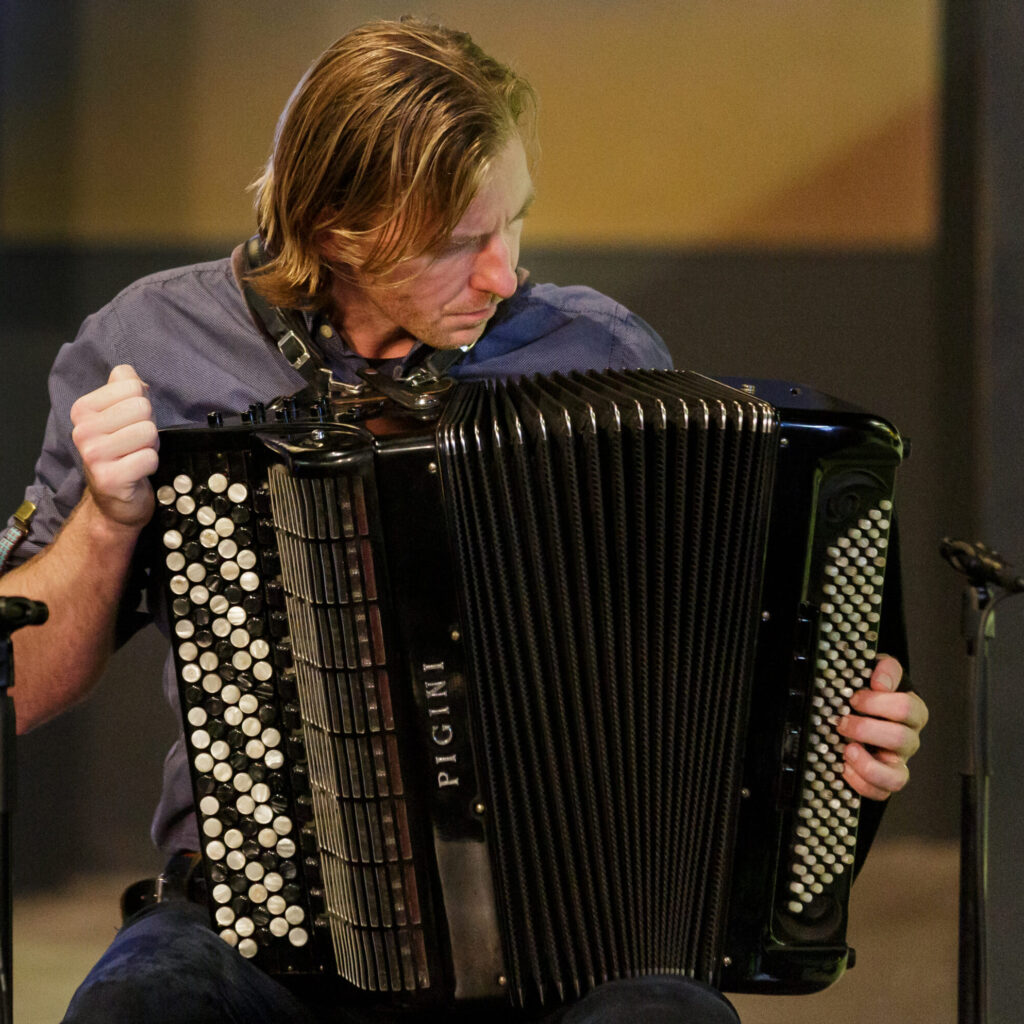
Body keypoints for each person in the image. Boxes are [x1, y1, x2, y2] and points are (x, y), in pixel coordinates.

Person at [0, 17, 927, 1024]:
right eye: (456, 245)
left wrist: (830, 731)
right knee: (143, 1009)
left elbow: (709, 672)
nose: (502, 275)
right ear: (334, 231)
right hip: (251, 916)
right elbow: (21, 687)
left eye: (513, 224)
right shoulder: (157, 344)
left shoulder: (595, 353)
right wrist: (105, 516)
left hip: (562, 923)